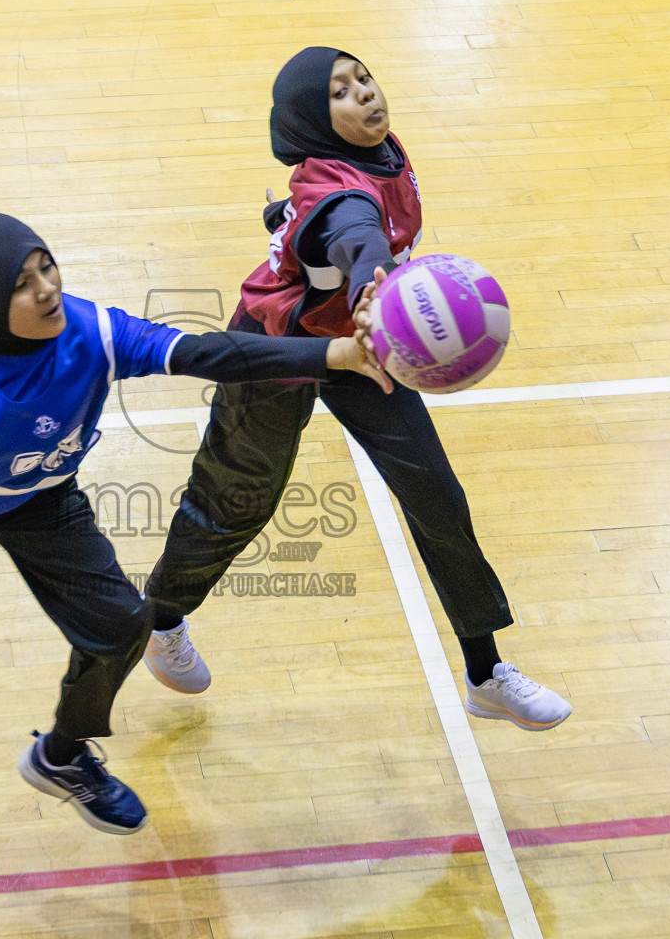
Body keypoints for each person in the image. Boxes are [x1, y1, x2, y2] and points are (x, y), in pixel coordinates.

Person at [0, 212, 390, 835]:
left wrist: (335, 353)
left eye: (47, 267)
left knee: (120, 627)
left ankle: (62, 754)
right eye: (21, 283)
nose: (47, 288)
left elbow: (206, 352)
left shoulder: (92, 333)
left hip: (36, 496)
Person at [140, 47, 572, 732]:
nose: (365, 95)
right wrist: (373, 281)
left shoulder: (380, 153)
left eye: (364, 77)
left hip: (371, 348)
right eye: (342, 92)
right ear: (315, 119)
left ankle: (486, 672)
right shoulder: (339, 193)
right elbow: (353, 232)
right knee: (238, 499)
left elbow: (331, 216)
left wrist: (293, 231)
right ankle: (161, 618)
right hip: (283, 343)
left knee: (435, 493)